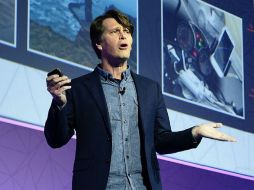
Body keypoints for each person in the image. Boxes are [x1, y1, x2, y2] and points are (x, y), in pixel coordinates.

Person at [45, 9, 236, 190]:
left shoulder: (149, 89)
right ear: (99, 43)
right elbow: (56, 139)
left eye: (127, 31)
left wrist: (194, 132)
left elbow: (161, 141)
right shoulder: (78, 89)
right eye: (115, 31)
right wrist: (59, 103)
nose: (124, 35)